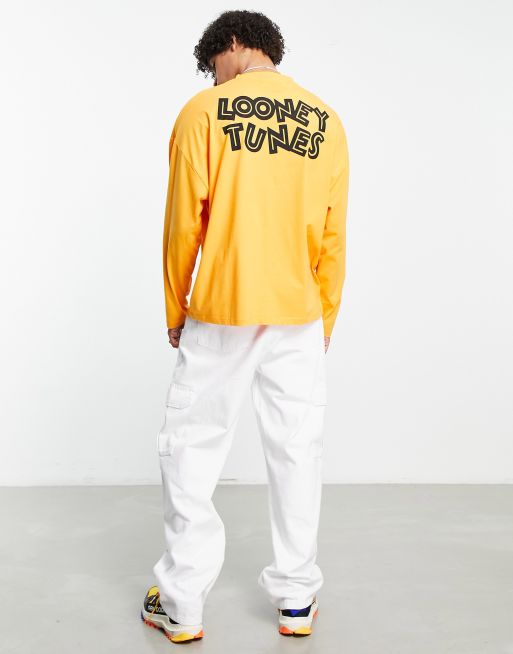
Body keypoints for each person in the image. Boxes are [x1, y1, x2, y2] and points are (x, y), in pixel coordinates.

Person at [140, 9, 350, 643]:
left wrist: (176, 307)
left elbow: (183, 224)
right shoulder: (326, 121)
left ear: (231, 44)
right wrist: (324, 319)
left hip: (223, 308)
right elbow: (333, 235)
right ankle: (297, 598)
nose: (213, 80)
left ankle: (182, 603)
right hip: (298, 313)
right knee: (297, 451)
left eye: (213, 67)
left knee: (192, 449)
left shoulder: (204, 113)